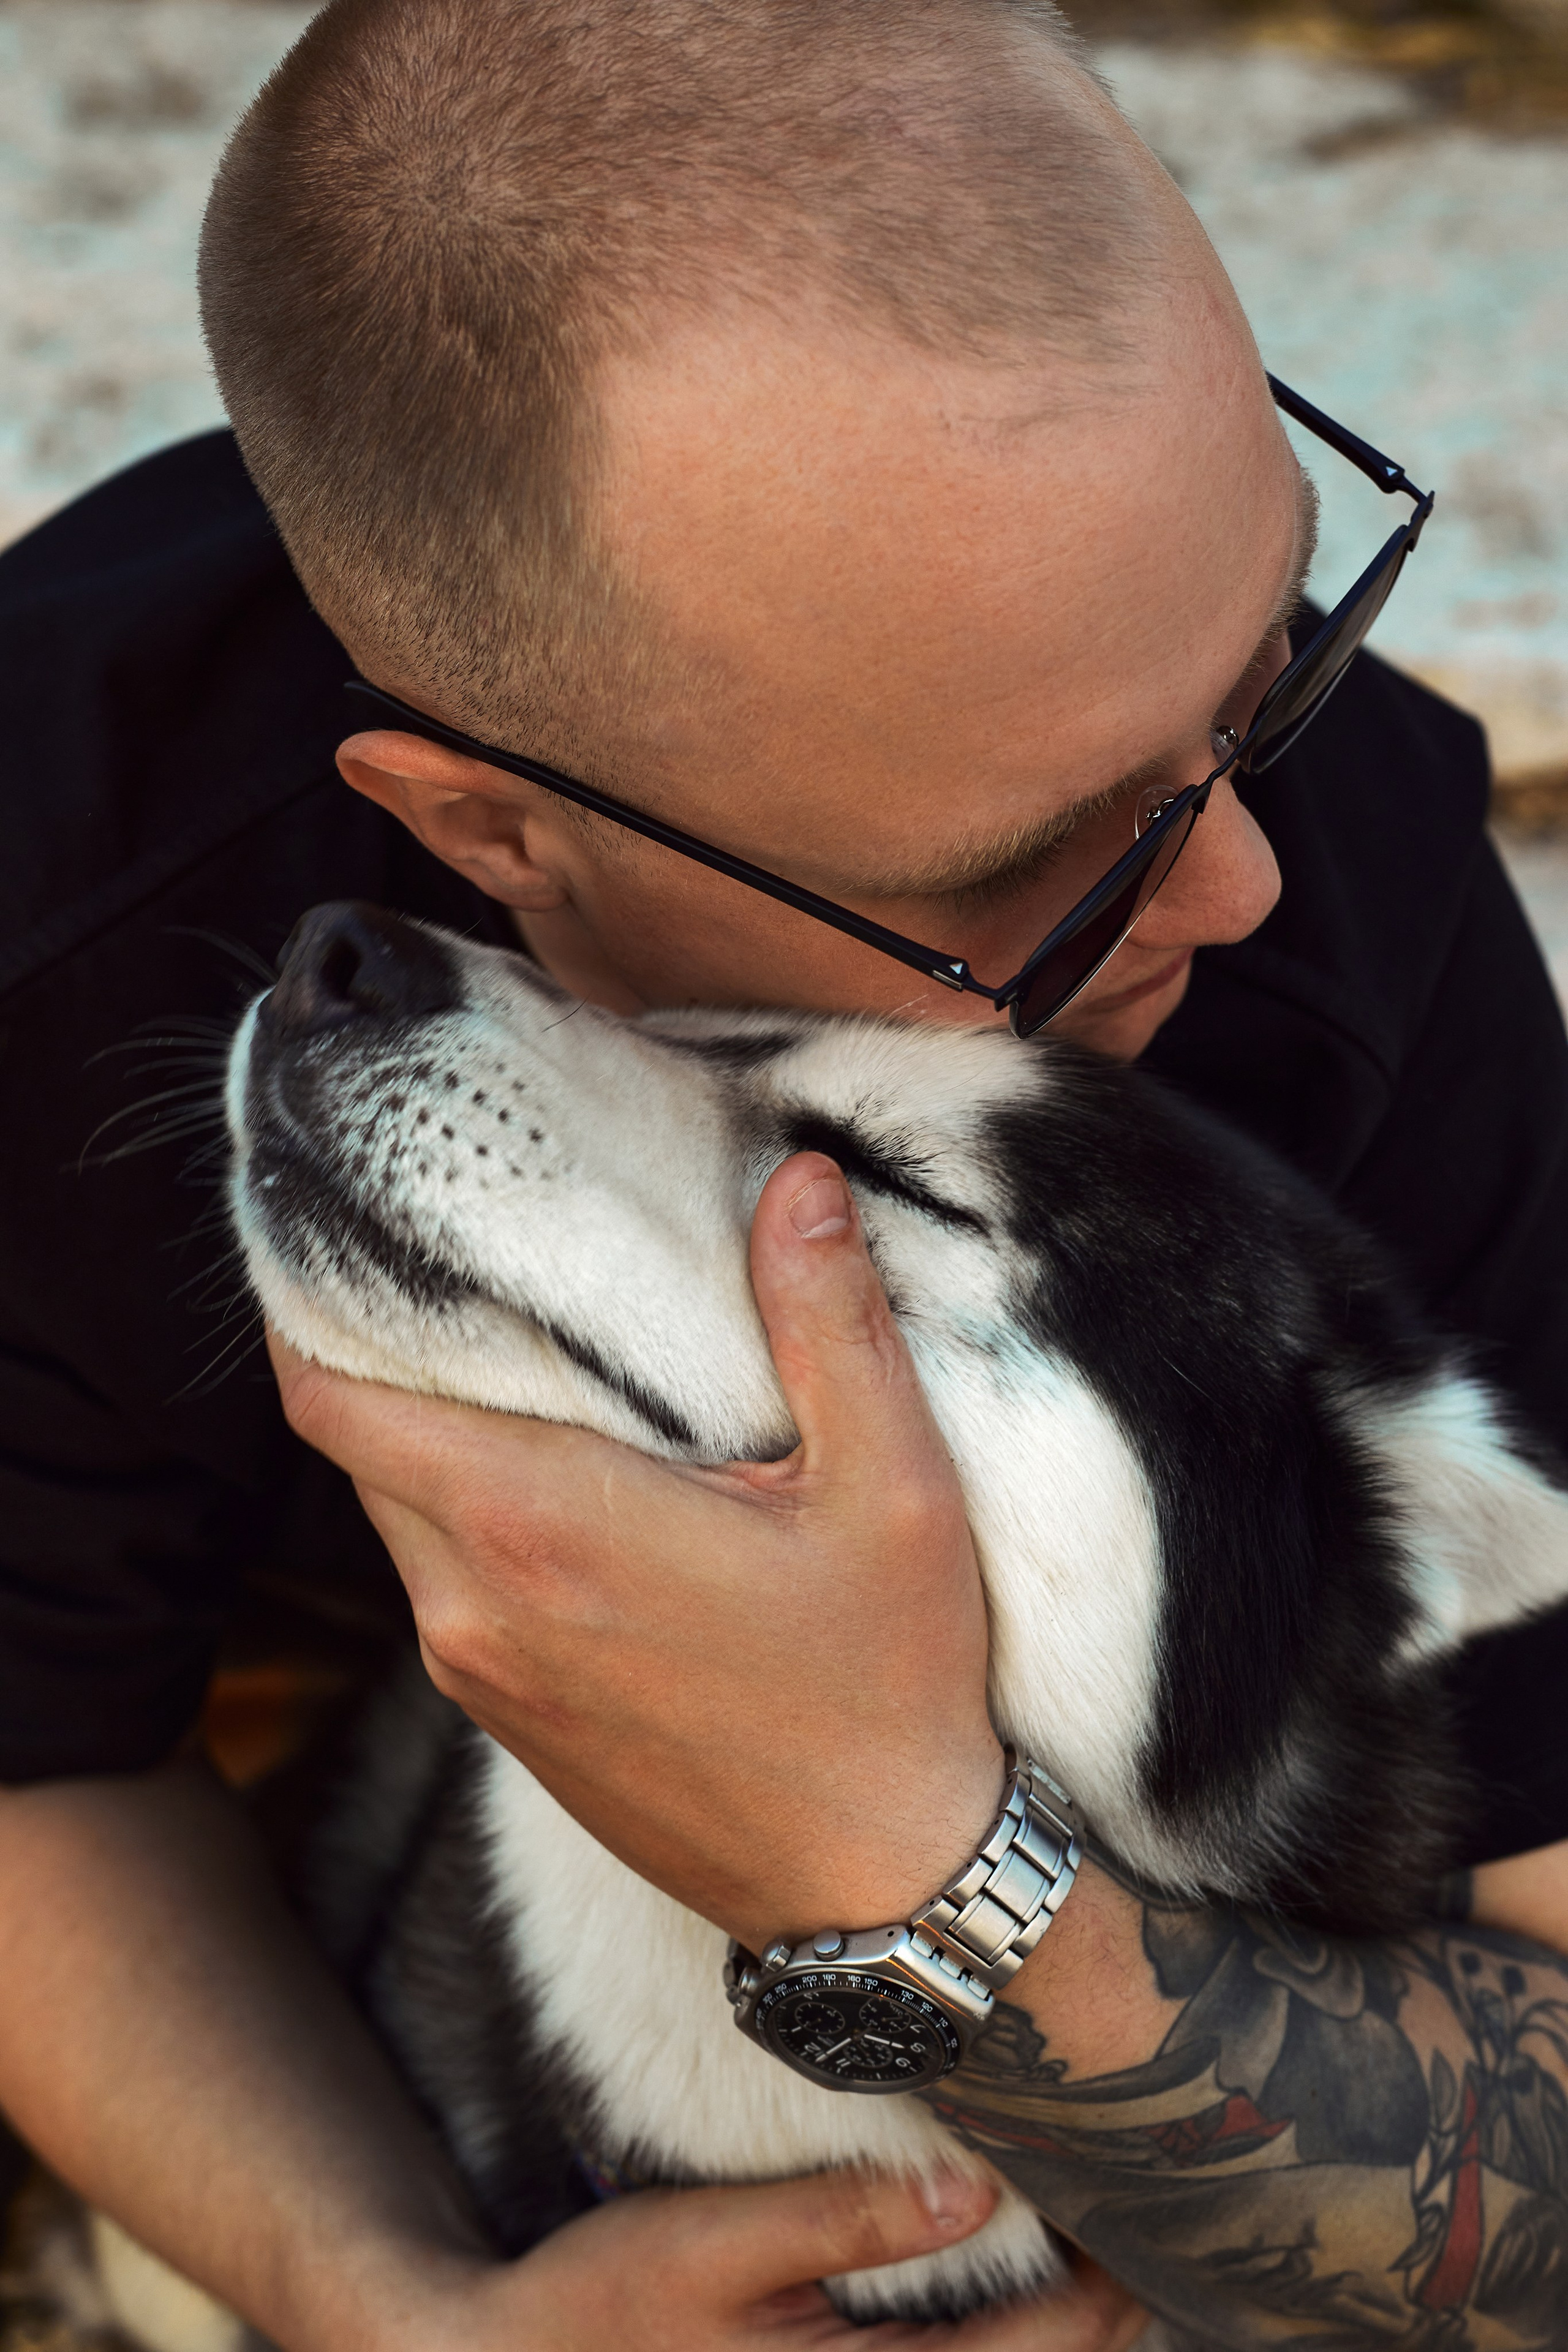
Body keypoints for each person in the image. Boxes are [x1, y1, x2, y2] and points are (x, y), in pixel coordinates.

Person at [0, 0, 1565, 2345]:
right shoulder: (58, 927)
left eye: (1268, 655)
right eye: (1029, 859)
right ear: (485, 836)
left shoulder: (1340, 898)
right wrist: (390, 2311)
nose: (1232, 881)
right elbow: (35, 1776)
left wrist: (910, 1867)